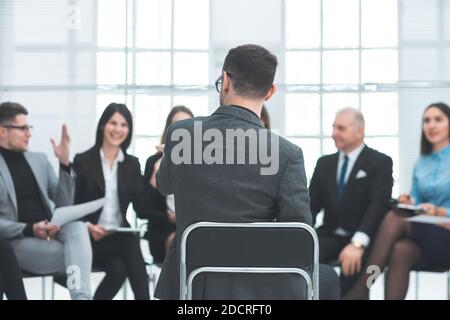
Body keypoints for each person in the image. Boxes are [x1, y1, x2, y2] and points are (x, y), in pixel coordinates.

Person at [154, 44, 340, 300]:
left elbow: (164, 186)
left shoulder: (181, 135)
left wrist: (170, 155)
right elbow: (300, 243)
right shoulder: (285, 153)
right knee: (328, 277)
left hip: (190, 285)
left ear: (226, 80)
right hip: (257, 290)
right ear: (270, 92)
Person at [344, 102, 450, 300]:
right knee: (400, 251)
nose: (431, 125)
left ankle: (362, 289)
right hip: (428, 235)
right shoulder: (422, 163)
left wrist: (440, 212)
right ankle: (363, 289)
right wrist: (409, 201)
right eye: (426, 120)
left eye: (438, 120)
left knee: (395, 218)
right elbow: (418, 200)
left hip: (447, 234)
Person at [0, 101, 92, 300]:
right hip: (19, 240)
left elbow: (64, 204)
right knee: (78, 256)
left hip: (53, 232)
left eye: (29, 128)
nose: (29, 133)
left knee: (78, 227)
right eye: (23, 128)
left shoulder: (39, 159)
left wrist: (65, 163)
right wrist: (30, 228)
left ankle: (82, 298)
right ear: (3, 131)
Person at [309, 107, 393, 297]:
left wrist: (357, 244)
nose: (334, 133)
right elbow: (311, 206)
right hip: (329, 235)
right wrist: (301, 236)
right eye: (333, 127)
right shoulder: (324, 163)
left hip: (364, 237)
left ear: (360, 131)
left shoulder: (380, 162)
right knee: (305, 258)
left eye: (341, 128)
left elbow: (378, 205)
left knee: (355, 274)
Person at [73, 103, 149, 300]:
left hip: (118, 236)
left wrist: (152, 181)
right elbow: (73, 206)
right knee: (130, 246)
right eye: (113, 123)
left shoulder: (131, 164)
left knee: (119, 269)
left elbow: (141, 209)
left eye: (124, 125)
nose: (118, 129)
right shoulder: (83, 160)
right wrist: (88, 226)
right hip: (89, 238)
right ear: (102, 126)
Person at [142, 106, 194, 264]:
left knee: (193, 243)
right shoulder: (153, 162)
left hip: (192, 229)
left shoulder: (201, 162)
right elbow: (143, 210)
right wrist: (154, 180)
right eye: (176, 125)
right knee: (181, 244)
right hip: (163, 231)